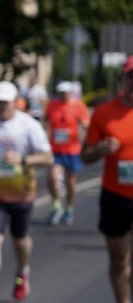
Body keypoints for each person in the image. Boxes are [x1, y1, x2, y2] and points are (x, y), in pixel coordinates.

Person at [0, 82, 53, 303]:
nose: (2, 107)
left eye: (6, 102)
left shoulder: (28, 125)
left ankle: (22, 270)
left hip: (21, 194)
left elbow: (47, 157)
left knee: (20, 241)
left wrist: (23, 160)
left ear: (15, 101)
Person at [81, 57, 133, 303]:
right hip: (115, 195)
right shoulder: (104, 112)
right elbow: (85, 156)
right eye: (131, 77)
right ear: (124, 79)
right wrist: (100, 148)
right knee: (119, 260)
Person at [45, 81, 89, 225]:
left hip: (72, 149)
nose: (62, 95)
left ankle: (69, 208)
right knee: (52, 178)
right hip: (55, 149)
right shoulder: (52, 104)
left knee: (70, 182)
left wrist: (82, 124)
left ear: (70, 92)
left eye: (64, 92)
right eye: (60, 92)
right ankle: (56, 204)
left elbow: (87, 124)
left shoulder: (78, 106)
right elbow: (47, 120)